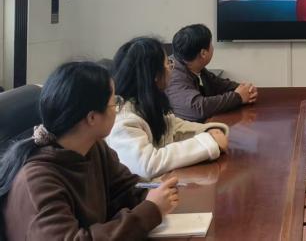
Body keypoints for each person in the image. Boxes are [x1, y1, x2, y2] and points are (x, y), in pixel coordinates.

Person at [0, 61, 178, 240]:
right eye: (114, 103)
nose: (118, 109)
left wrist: (157, 194)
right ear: (92, 117)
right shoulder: (37, 180)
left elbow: (126, 189)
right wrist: (151, 210)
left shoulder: (93, 147)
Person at [107, 37, 230, 179]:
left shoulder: (146, 103)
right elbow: (148, 164)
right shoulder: (124, 120)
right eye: (168, 63)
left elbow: (173, 126)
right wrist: (207, 143)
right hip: (143, 191)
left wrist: (208, 131)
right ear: (155, 75)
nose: (171, 69)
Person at [166, 24, 258, 122]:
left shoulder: (193, 66)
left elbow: (217, 84)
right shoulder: (173, 74)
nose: (213, 47)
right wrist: (238, 97)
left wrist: (246, 90)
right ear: (203, 53)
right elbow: (197, 109)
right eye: (211, 44)